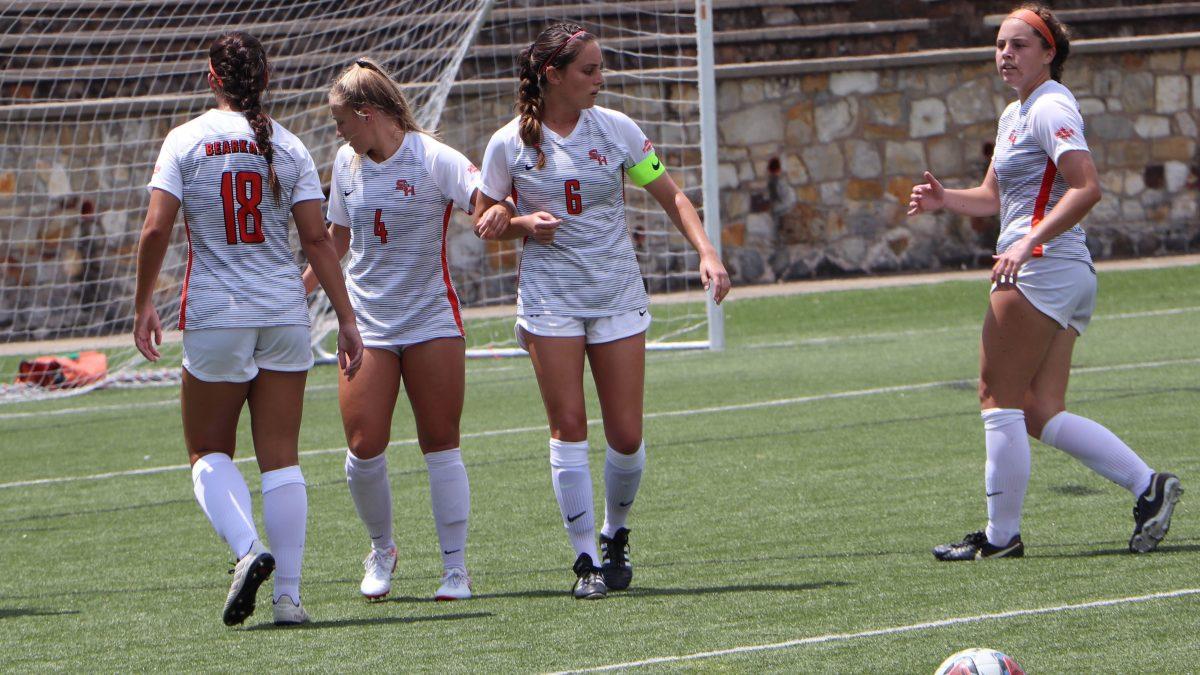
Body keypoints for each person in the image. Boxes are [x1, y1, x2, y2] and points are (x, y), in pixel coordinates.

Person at [907, 5, 1181, 561]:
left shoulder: (1051, 105)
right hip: (1064, 269)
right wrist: (946, 200)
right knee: (1039, 409)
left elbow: (1087, 187)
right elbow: (993, 198)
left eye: (1020, 45)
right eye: (1001, 45)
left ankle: (1001, 539)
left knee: (996, 397)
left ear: (1049, 51)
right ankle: (1148, 487)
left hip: (1041, 268)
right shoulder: (1016, 113)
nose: (1006, 54)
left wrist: (1027, 242)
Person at [474, 23, 731, 598]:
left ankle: (616, 533)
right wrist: (515, 223)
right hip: (549, 303)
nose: (600, 79)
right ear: (553, 76)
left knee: (626, 434)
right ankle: (586, 557)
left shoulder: (615, 129)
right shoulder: (508, 142)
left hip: (616, 296)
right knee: (568, 428)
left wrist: (708, 253)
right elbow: (485, 218)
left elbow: (672, 194)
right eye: (588, 70)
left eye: (600, 68)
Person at [133, 32, 363, 625]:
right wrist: (345, 316)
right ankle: (289, 597)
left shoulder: (184, 140)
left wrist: (142, 305)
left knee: (207, 450)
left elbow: (156, 229)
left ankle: (246, 550)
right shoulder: (287, 145)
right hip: (284, 314)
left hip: (216, 315)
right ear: (266, 79)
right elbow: (316, 240)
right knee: (282, 458)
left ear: (212, 78)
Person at [300, 59, 503, 601]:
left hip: (432, 317)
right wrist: (299, 291)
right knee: (364, 445)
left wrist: (498, 215)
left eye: (342, 120)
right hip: (366, 319)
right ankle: (382, 547)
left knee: (440, 443)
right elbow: (337, 240)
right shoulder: (345, 164)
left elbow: (485, 204)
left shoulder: (435, 158)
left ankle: (455, 569)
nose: (337, 132)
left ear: (368, 114)